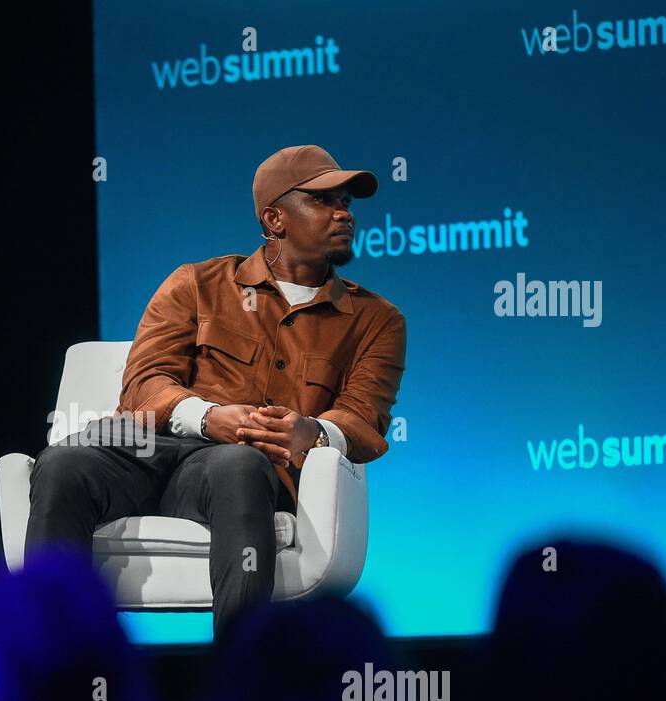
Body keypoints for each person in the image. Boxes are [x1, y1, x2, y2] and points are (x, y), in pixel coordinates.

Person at [25, 145, 407, 636]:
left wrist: (311, 431)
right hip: (148, 451)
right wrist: (208, 417)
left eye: (347, 204)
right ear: (274, 218)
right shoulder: (197, 284)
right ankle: (51, 668)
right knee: (62, 462)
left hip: (241, 472)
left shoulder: (377, 320)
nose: (343, 215)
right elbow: (143, 385)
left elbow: (365, 420)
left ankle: (241, 684)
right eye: (323, 201)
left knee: (239, 463)